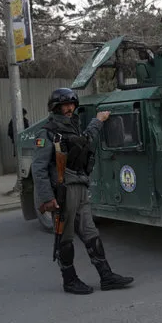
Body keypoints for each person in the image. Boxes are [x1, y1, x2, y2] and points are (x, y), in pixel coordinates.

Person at [32, 88, 134, 295]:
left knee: (91, 232)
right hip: (64, 190)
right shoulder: (48, 133)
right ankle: (69, 280)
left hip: (80, 185)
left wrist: (99, 121)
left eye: (72, 104)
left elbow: (86, 141)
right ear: (55, 107)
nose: (69, 108)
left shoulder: (73, 128)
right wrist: (47, 198)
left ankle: (106, 276)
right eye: (65, 105)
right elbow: (38, 168)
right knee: (65, 237)